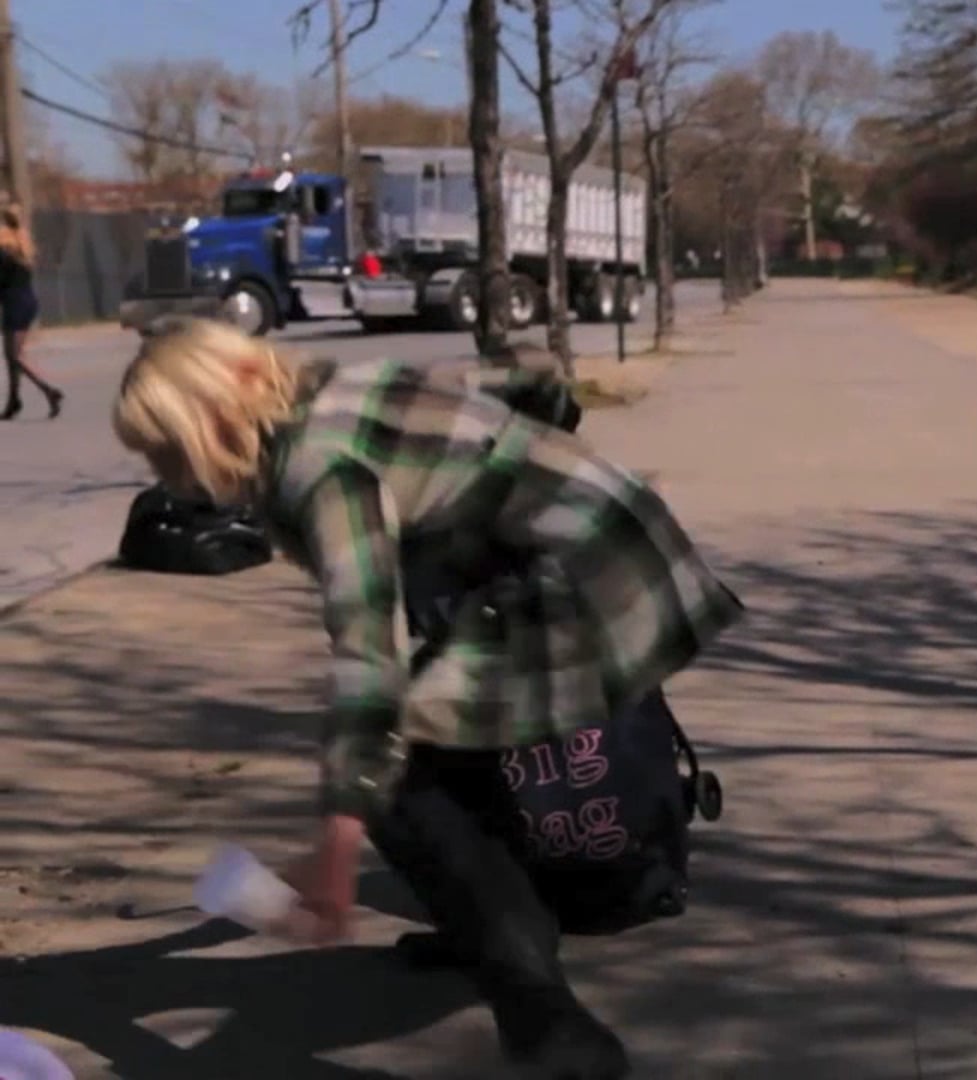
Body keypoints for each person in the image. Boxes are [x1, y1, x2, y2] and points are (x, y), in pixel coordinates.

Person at [111, 317, 745, 1079]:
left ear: (210, 419)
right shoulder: (339, 388)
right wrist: (518, 462)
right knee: (437, 741)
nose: (169, 476)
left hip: (582, 588)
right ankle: (486, 919)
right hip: (602, 546)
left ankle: (547, 1022)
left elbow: (367, 656)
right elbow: (530, 374)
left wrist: (339, 838)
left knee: (397, 781)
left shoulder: (317, 469)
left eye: (164, 451)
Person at [0, 201, 60, 420]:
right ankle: (13, 402)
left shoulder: (4, 252)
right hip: (28, 302)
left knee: (15, 356)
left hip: (14, 305)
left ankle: (49, 390)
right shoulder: (24, 247)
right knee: (12, 355)